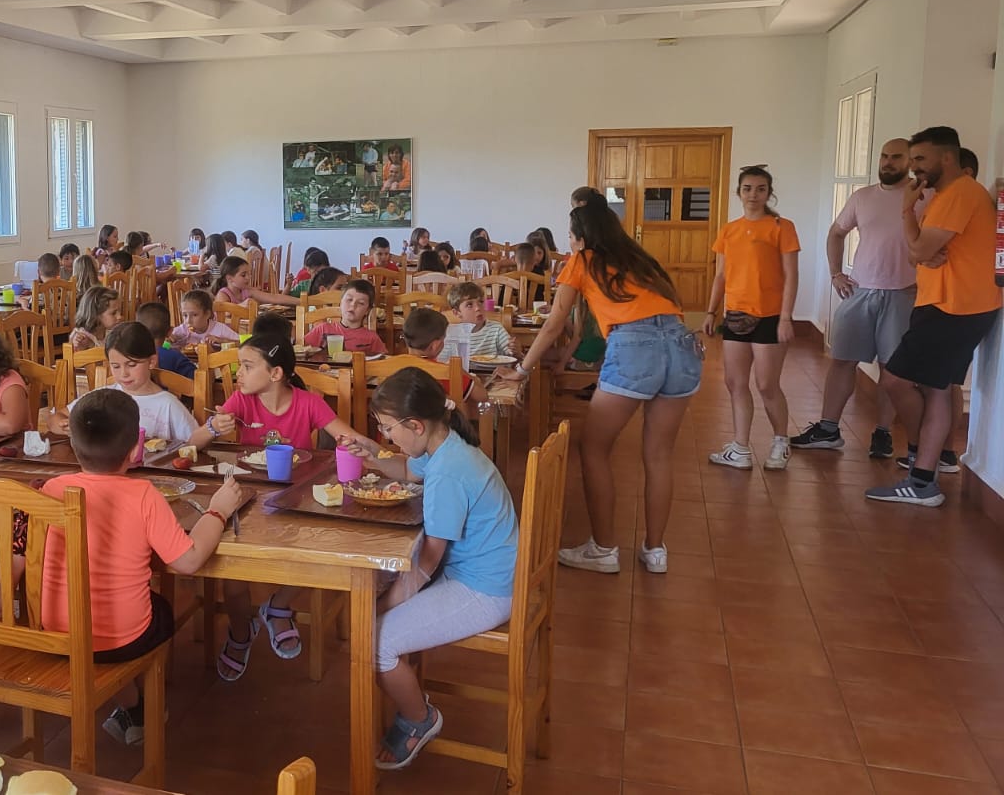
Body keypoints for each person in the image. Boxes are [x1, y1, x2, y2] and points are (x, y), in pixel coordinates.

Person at [498, 203, 700, 574]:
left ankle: (604, 549)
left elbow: (554, 323)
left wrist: (522, 370)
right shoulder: (642, 261)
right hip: (681, 346)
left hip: (634, 346)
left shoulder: (583, 259)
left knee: (593, 447)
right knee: (659, 455)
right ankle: (655, 550)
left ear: (580, 238)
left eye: (571, 236)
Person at [41, 388, 251, 744]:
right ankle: (141, 706)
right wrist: (218, 510)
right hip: (120, 640)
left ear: (73, 445)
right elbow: (188, 561)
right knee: (161, 610)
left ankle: (132, 707)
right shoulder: (143, 495)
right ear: (134, 450)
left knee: (118, 609)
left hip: (57, 631)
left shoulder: (51, 487)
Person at [345, 368, 516, 769]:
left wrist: (381, 606)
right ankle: (409, 696)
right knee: (378, 607)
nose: (387, 436)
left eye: (388, 428)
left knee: (374, 638)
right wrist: (372, 453)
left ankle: (419, 718)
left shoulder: (448, 474)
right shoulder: (446, 446)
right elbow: (407, 470)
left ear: (416, 425)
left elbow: (427, 561)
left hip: (485, 589)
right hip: (488, 572)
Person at [187, 334, 376, 678]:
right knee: (232, 571)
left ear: (275, 374)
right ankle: (241, 632)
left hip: (297, 497)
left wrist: (381, 454)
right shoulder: (241, 402)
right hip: (246, 496)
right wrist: (213, 426)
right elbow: (193, 442)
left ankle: (278, 605)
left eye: (247, 366)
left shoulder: (308, 403)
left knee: (321, 553)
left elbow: (346, 436)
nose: (238, 374)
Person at [867, 126, 1002, 507]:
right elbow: (916, 254)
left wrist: (907, 211)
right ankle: (924, 476)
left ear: (946, 157)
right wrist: (919, 247)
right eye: (912, 160)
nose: (914, 168)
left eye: (920, 159)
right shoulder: (946, 195)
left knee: (894, 379)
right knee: (937, 389)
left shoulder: (959, 193)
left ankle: (919, 457)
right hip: (951, 304)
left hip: (953, 307)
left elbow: (919, 249)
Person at [791, 139, 914, 459]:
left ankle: (883, 433)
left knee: (892, 369)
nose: (887, 162)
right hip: (860, 291)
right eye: (884, 156)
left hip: (904, 293)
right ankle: (828, 429)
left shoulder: (924, 197)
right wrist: (835, 273)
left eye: (896, 157)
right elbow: (836, 232)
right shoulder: (863, 197)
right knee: (842, 360)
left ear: (910, 161)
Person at [703, 166, 801, 471]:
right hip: (736, 315)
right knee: (735, 382)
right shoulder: (729, 230)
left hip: (770, 316)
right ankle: (740, 447)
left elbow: (791, 275)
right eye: (747, 188)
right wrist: (711, 311)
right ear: (739, 192)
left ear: (769, 193)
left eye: (760, 189)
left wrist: (786, 317)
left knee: (767, 384)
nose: (753, 195)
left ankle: (780, 442)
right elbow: (721, 275)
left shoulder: (781, 227)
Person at [49, 323, 198, 441]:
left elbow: (194, 443)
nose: (124, 373)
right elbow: (55, 419)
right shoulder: (103, 397)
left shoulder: (168, 405)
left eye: (131, 365)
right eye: (116, 366)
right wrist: (66, 426)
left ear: (152, 361)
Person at [302, 279, 388, 357]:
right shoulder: (322, 329)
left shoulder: (371, 338)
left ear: (367, 310)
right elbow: (300, 350)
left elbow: (384, 361)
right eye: (349, 300)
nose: (353, 305)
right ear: (341, 302)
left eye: (361, 303)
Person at [442, 282, 517, 367]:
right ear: (457, 313)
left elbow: (511, 355)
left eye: (481, 302)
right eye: (469, 305)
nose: (478, 308)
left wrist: (514, 349)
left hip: (491, 374)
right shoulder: (452, 334)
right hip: (462, 374)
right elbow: (443, 361)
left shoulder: (496, 329)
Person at [135, 302, 196, 381]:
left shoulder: (131, 355)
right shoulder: (175, 357)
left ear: (137, 331)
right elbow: (198, 379)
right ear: (170, 331)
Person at [214, 256, 297, 306]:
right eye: (243, 275)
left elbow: (273, 297)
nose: (248, 277)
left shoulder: (246, 291)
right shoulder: (223, 294)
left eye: (249, 274)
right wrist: (241, 306)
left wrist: (301, 301)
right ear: (229, 278)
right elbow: (224, 312)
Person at [171, 289, 238, 347]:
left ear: (207, 314)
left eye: (194, 315)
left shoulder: (219, 329)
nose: (188, 321)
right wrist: (171, 340)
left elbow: (242, 343)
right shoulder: (183, 329)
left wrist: (221, 340)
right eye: (185, 315)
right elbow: (167, 343)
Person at [70, 286, 122, 351]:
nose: (119, 316)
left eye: (120, 311)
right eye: (113, 313)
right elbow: (78, 354)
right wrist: (85, 345)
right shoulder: (81, 336)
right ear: (96, 315)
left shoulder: (109, 332)